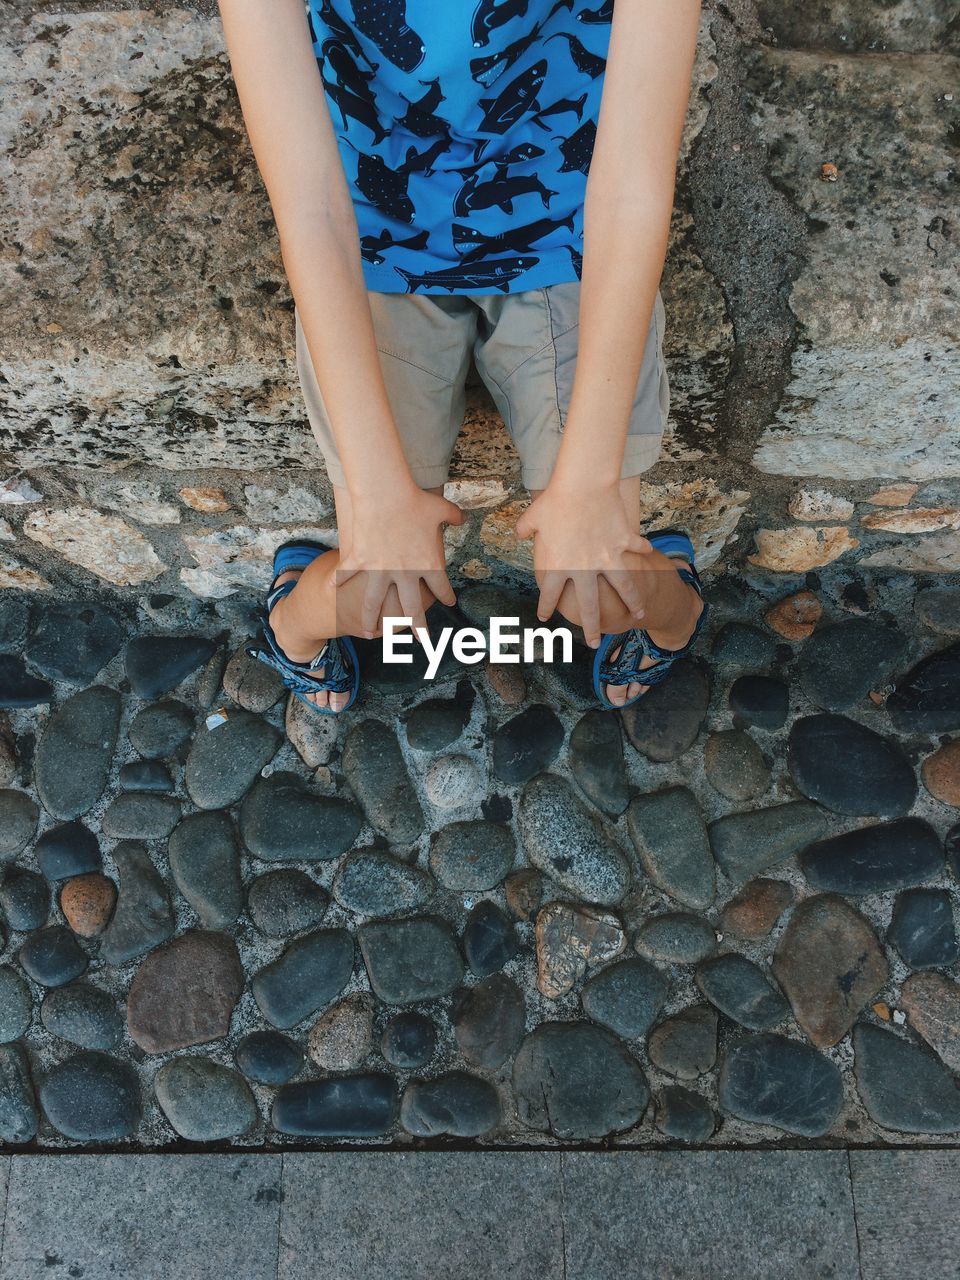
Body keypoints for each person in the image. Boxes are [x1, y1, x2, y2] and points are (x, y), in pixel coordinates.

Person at [217, 0, 707, 715]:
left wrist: (590, 485)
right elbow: (311, 209)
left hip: (565, 237)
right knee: (382, 600)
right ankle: (293, 621)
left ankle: (678, 611)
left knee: (602, 588)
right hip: (373, 243)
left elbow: (632, 186)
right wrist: (380, 492)